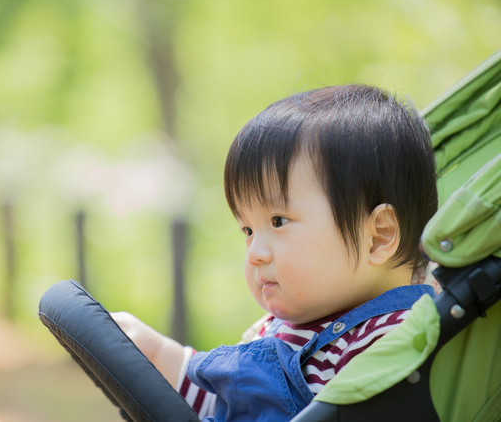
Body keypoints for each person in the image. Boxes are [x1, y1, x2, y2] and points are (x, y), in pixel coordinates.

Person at [111, 84, 438, 421]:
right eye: (248, 231)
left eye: (278, 221)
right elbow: (221, 402)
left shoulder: (392, 340)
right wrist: (157, 352)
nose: (254, 253)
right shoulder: (280, 328)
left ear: (379, 236)